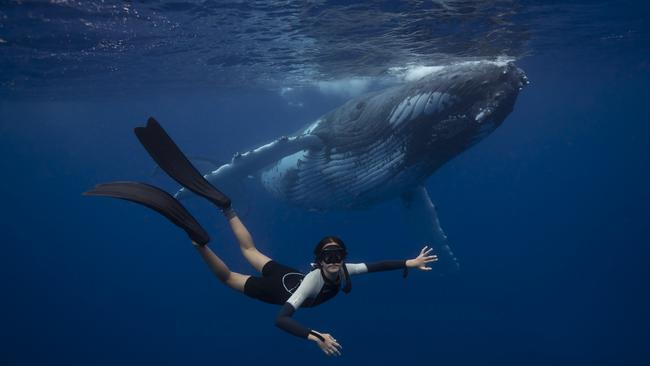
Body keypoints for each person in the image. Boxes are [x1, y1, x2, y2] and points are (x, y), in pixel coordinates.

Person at [84, 118, 439, 356]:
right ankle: (199, 241)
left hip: (282, 270)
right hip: (279, 288)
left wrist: (410, 262)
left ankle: (225, 207)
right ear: (319, 261)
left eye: (338, 257)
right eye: (329, 258)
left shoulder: (345, 270)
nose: (335, 263)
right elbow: (281, 319)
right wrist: (315, 337)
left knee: (250, 248)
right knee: (226, 277)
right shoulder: (315, 282)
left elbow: (377, 266)